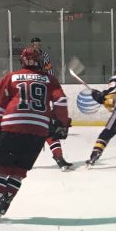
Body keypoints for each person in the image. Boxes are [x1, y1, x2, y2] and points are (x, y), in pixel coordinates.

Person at [0, 47, 71, 221]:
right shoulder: (49, 79)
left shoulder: (11, 77)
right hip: (38, 130)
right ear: (39, 61)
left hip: (12, 127)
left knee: (2, 166)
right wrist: (62, 124)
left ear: (22, 61)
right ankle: (6, 201)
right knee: (19, 170)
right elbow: (61, 101)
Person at [31, 36, 73, 171]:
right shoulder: (30, 55)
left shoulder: (43, 55)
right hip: (39, 107)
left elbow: (49, 69)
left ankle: (58, 158)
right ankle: (58, 158)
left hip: (34, 107)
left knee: (41, 135)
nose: (36, 45)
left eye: (38, 43)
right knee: (47, 133)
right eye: (35, 43)